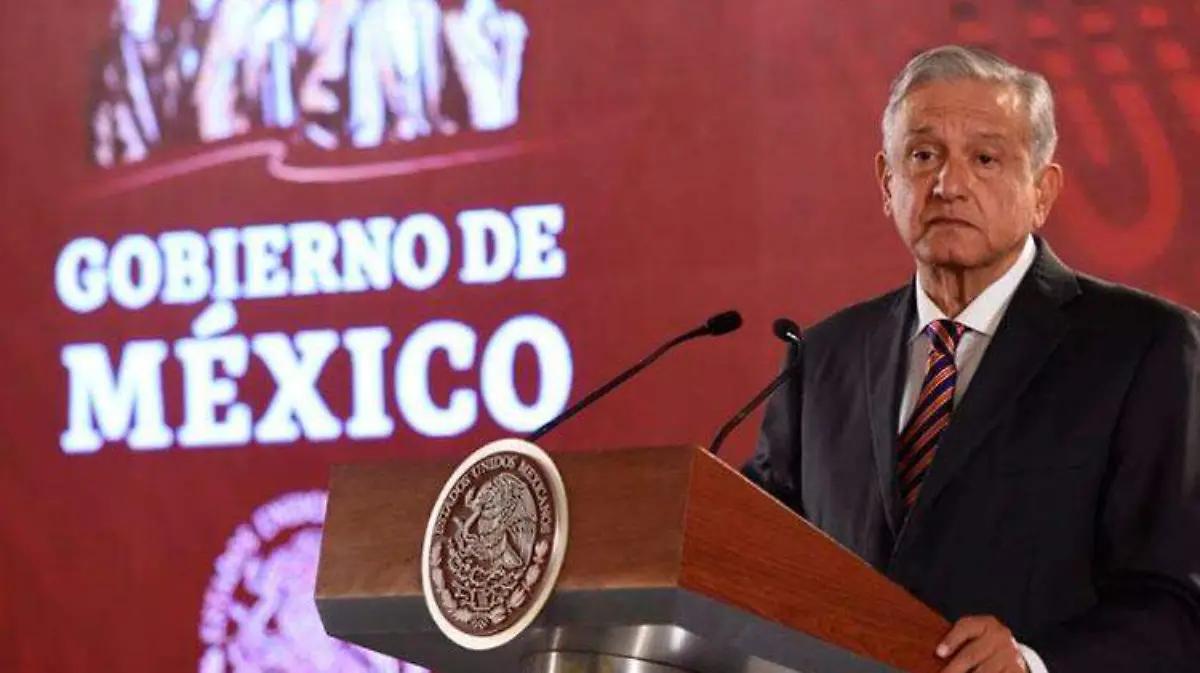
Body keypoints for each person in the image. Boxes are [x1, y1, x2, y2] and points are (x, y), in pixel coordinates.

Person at [742, 45, 1200, 673]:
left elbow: (1179, 601)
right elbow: (746, 563)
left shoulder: (1146, 348)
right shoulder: (823, 358)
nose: (948, 185)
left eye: (985, 158)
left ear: (1043, 191)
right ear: (887, 183)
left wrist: (1035, 664)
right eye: (924, 155)